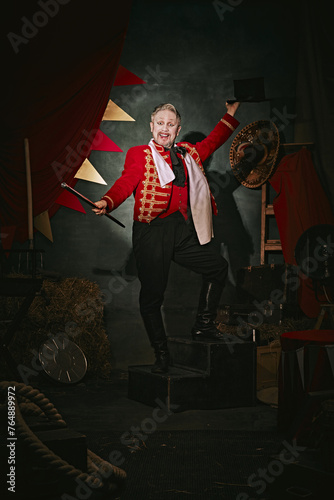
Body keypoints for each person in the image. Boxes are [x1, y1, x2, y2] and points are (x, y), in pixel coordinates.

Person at [93, 100, 240, 373]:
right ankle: (161, 355)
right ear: (151, 126)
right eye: (160, 123)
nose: (165, 128)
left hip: (180, 232)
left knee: (218, 267)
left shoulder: (188, 154)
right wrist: (108, 201)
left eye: (170, 124)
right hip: (151, 231)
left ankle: (203, 326)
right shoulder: (140, 154)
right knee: (152, 296)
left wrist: (230, 114)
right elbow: (127, 181)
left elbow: (213, 141)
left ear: (177, 129)